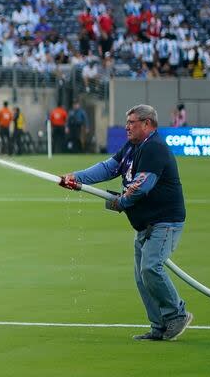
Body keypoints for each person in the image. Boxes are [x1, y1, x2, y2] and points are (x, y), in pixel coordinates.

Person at [59, 104, 192, 341]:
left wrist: (121, 202)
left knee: (151, 268)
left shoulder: (154, 148)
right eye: (127, 121)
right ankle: (159, 326)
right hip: (144, 224)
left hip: (164, 221)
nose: (127, 126)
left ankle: (177, 315)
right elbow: (108, 168)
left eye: (132, 122)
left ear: (148, 124)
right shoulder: (132, 147)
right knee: (142, 277)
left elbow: (143, 186)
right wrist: (75, 177)